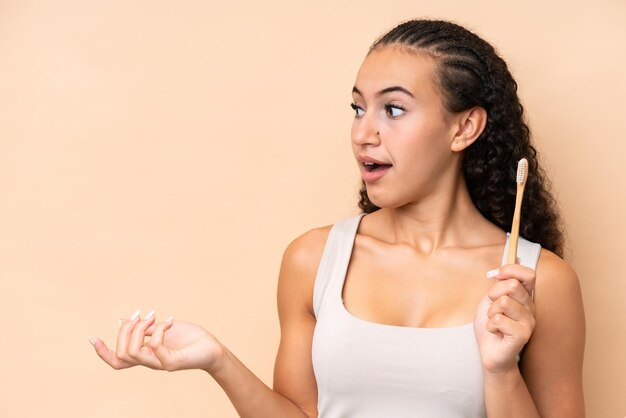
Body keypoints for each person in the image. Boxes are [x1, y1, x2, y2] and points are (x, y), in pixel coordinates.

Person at [89, 19, 585, 417]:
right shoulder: (314, 259)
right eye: (357, 108)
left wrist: (500, 373)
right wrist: (217, 360)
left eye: (392, 109)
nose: (363, 132)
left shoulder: (539, 281)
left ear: (465, 127)